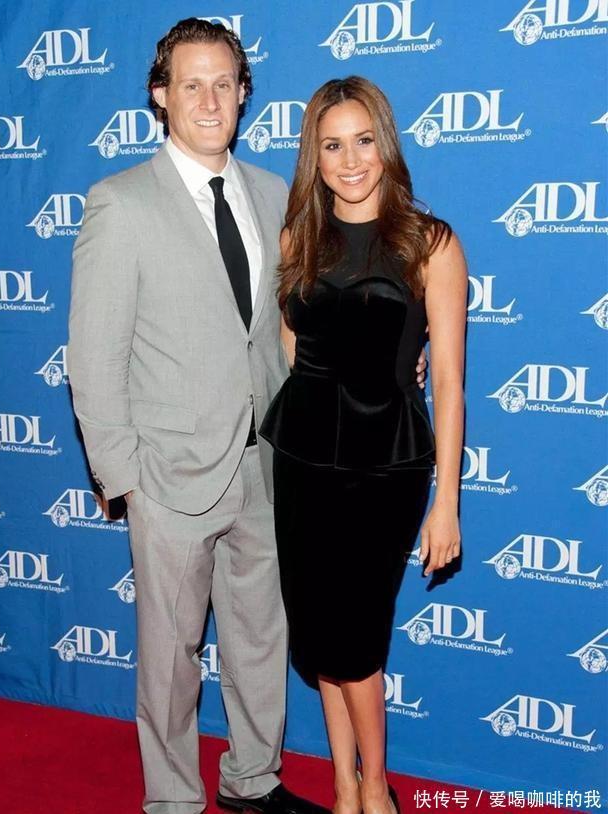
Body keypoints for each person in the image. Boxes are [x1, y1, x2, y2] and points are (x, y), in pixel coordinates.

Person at [68, 18, 331, 814]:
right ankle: (174, 801)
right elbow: (95, 355)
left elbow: (288, 327)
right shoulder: (120, 203)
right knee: (171, 656)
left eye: (224, 84)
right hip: (169, 474)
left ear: (245, 94)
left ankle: (254, 781)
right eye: (192, 85)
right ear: (161, 95)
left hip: (264, 464)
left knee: (260, 637)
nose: (210, 101)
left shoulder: (271, 193)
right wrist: (122, 476)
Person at [259, 76, 467, 814]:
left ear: (387, 144)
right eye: (332, 145)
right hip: (303, 457)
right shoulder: (298, 239)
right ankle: (344, 788)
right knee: (320, 635)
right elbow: (293, 349)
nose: (351, 161)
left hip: (385, 465)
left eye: (364, 141)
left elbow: (450, 382)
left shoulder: (430, 244)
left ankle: (376, 789)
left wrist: (447, 504)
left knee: (355, 640)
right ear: (313, 157)